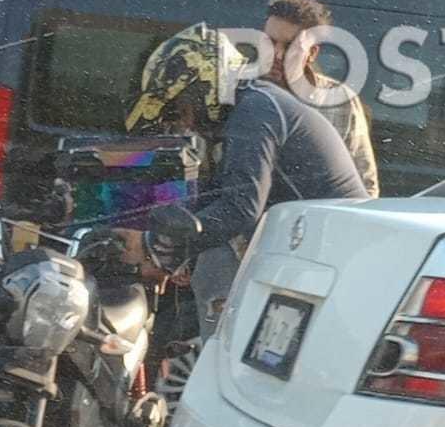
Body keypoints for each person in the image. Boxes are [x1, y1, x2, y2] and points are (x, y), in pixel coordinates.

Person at [118, 21, 365, 344]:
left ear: (204, 87)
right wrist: (168, 252)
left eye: (181, 109)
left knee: (220, 291)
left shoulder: (255, 111)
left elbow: (240, 209)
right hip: (314, 250)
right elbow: (214, 197)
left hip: (333, 256)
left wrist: (158, 246)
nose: (183, 121)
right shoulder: (251, 105)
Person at [263, 0, 381, 197]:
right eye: (270, 42)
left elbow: (364, 184)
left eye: (289, 46)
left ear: (312, 53)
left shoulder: (339, 101)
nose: (277, 54)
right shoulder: (241, 90)